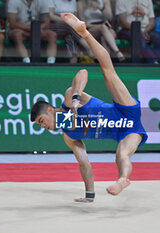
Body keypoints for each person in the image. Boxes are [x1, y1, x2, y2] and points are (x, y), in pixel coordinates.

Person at [30, 13, 148, 202]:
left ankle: (84, 32)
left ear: (50, 110)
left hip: (124, 110)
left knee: (107, 70)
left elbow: (82, 72)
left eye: (42, 121)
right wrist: (89, 195)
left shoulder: (69, 102)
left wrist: (76, 100)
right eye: (40, 125)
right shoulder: (69, 135)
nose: (43, 126)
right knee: (121, 155)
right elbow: (84, 163)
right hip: (126, 131)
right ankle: (123, 179)